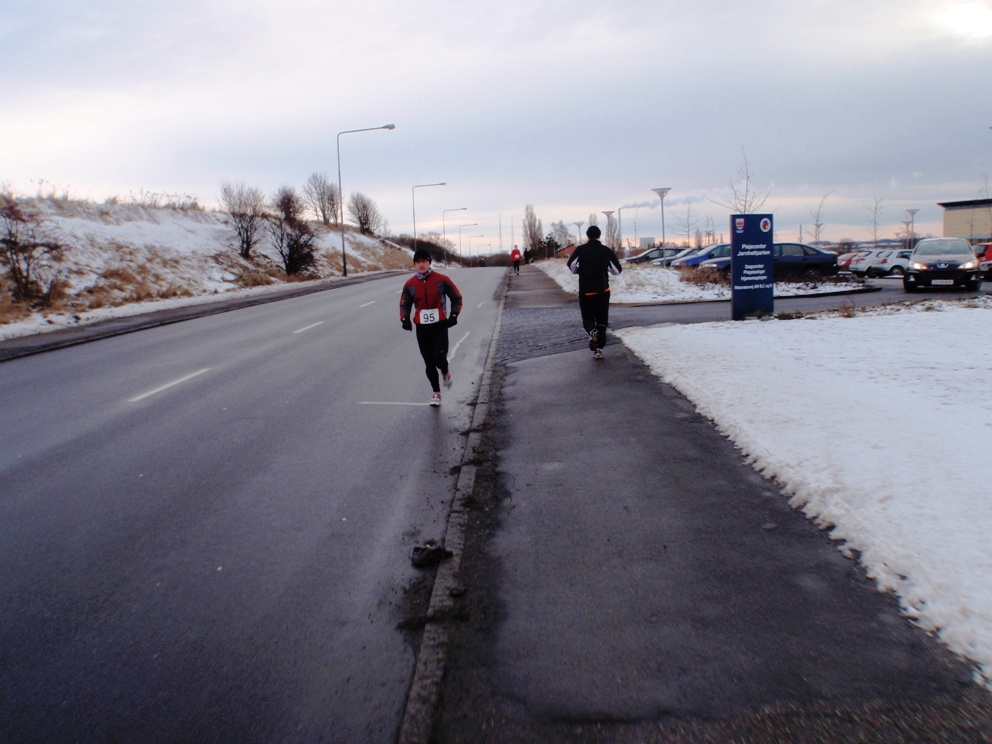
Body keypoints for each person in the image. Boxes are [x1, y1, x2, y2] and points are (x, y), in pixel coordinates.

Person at [400, 248, 463, 406]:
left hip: (439, 326)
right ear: (414, 264)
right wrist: (404, 319)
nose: (421, 265)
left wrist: (454, 315)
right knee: (428, 362)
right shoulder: (410, 284)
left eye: (424, 261)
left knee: (439, 357)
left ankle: (445, 371)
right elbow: (404, 304)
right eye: (417, 262)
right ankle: (436, 392)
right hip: (422, 328)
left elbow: (456, 297)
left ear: (429, 263)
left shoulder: (442, 280)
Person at [566, 225, 621, 360]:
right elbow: (617, 270)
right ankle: (599, 349)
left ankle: (591, 331)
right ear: (599, 236)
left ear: (587, 236)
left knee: (588, 318)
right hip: (603, 290)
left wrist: (579, 271)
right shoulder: (606, 251)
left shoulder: (580, 250)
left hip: (586, 291)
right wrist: (607, 270)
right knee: (602, 319)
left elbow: (571, 264)